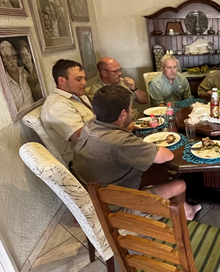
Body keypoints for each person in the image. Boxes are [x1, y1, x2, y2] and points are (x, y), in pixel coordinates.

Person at [73, 85, 201, 220]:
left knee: (160, 173)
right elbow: (166, 156)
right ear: (123, 114)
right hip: (116, 203)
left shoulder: (89, 125)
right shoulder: (120, 141)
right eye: (131, 108)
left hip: (93, 191)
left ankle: (180, 208)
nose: (132, 110)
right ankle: (184, 217)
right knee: (180, 185)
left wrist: (123, 126)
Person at [41, 59, 94, 163]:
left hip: (96, 150)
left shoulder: (78, 96)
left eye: (84, 78)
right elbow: (81, 138)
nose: (84, 83)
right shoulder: (57, 104)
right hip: (84, 161)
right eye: (78, 79)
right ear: (62, 81)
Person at [0, 40, 34, 111]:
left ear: (17, 58)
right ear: (3, 61)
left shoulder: (25, 72)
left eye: (13, 57)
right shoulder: (4, 83)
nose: (11, 61)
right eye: (7, 58)